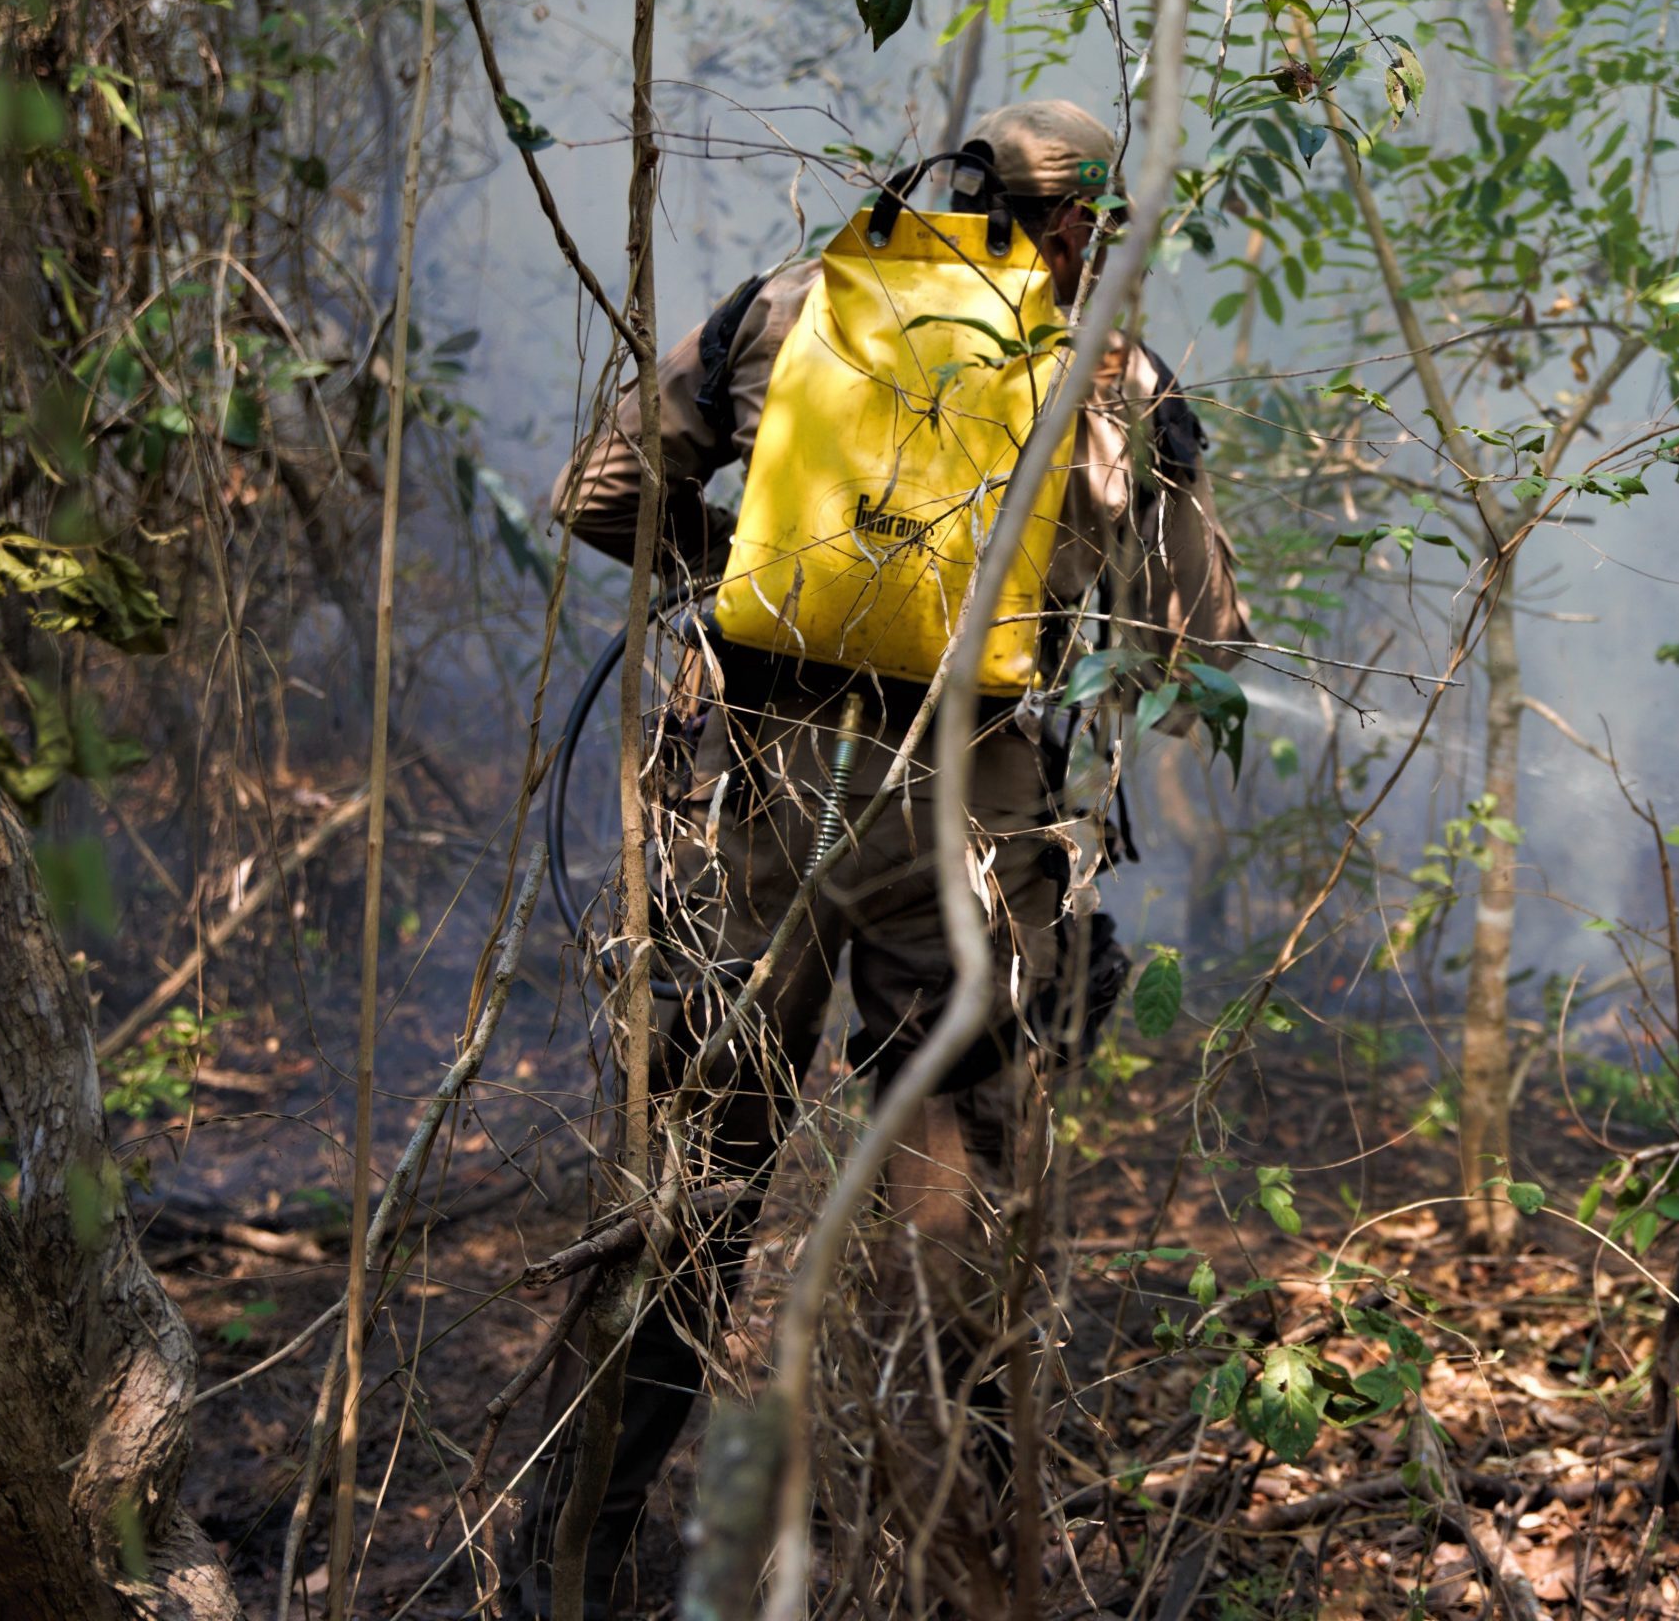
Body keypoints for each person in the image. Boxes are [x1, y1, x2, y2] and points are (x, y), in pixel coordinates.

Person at [508, 98, 1250, 1617]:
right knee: (953, 1200)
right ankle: (944, 1569)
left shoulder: (793, 301)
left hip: (756, 802)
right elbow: (1202, 643)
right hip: (961, 831)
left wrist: (753, 586)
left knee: (695, 1185)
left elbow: (599, 497)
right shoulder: (1112, 369)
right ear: (1078, 224)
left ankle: (561, 1568)